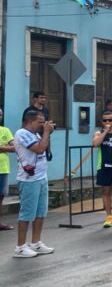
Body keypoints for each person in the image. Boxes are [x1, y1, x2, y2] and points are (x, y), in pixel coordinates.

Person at [13, 110, 55, 258]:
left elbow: (45, 148)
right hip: (28, 180)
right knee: (26, 213)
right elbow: (39, 149)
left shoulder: (36, 134)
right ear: (30, 121)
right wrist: (46, 132)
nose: (43, 125)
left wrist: (47, 133)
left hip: (41, 177)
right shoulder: (22, 133)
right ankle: (20, 247)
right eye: (40, 122)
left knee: (40, 212)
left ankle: (36, 242)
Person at [93, 110, 112, 228]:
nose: (107, 122)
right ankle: (109, 217)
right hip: (104, 166)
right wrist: (105, 131)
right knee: (106, 191)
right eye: (105, 120)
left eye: (110, 120)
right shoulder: (98, 133)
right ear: (101, 122)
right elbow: (95, 144)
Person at [0, 108, 15, 231]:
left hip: (3, 169)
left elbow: (15, 147)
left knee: (1, 196)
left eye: (0, 114)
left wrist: (2, 148)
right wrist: (6, 146)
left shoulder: (5, 130)